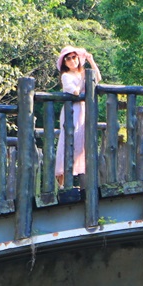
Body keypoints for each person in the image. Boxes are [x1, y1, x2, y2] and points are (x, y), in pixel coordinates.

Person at [54, 46, 101, 187]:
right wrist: (83, 78)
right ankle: (62, 184)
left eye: (74, 57)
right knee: (68, 142)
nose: (71, 60)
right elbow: (75, 92)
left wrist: (91, 61)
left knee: (83, 144)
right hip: (72, 112)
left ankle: (84, 184)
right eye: (68, 58)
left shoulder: (84, 73)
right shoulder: (66, 76)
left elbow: (97, 78)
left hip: (84, 111)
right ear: (64, 62)